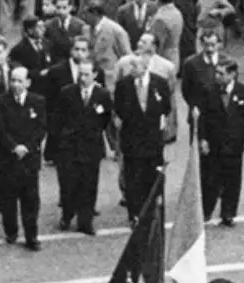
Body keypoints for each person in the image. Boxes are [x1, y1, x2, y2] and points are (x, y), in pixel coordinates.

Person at [0, 65, 46, 250]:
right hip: (8, 157)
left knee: (31, 200)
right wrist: (14, 146)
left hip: (29, 159)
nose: (15, 84)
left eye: (19, 81)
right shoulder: (0, 101)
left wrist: (27, 147)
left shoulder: (38, 101)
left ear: (28, 82)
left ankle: (32, 236)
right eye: (12, 80)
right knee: (8, 198)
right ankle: (11, 231)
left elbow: (40, 128)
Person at [112, 56, 172, 221]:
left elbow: (166, 107)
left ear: (145, 67)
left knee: (153, 176)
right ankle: (135, 212)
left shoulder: (159, 83)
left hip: (153, 140)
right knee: (133, 177)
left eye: (135, 66)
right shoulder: (123, 85)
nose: (131, 70)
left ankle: (153, 210)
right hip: (132, 139)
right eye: (131, 66)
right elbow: (119, 108)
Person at [55, 59, 111, 235]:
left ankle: (85, 221)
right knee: (69, 183)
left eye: (86, 74)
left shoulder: (102, 94)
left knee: (89, 184)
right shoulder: (67, 92)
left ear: (95, 75)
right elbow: (59, 118)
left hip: (91, 146)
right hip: (70, 146)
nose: (82, 78)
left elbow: (105, 119)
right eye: (80, 74)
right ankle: (67, 214)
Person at [199, 59, 244, 226]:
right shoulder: (209, 90)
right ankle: (206, 211)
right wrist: (203, 139)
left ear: (232, 74)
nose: (217, 76)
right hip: (214, 143)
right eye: (216, 73)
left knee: (232, 180)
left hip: (234, 144)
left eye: (221, 74)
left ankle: (228, 213)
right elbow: (202, 118)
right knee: (210, 180)